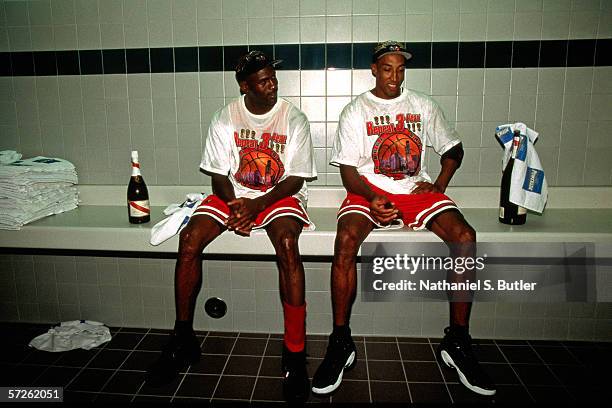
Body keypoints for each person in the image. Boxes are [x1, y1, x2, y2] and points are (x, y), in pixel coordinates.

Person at [311, 41, 496, 397]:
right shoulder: (356, 110)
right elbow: (348, 172)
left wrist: (437, 185)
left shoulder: (423, 105)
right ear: (374, 70)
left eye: (400, 69)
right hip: (367, 190)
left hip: (414, 191)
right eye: (387, 68)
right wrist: (371, 197)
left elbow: (453, 149)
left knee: (465, 237)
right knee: (345, 240)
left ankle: (457, 342)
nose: (394, 76)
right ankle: (340, 341)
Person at [146, 50, 317, 403]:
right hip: (235, 195)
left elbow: (296, 179)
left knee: (287, 243)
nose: (272, 86)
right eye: (263, 80)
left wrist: (257, 206)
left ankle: (295, 353)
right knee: (190, 238)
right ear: (244, 86)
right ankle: (182, 338)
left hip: (278, 194)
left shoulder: (293, 118)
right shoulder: (225, 118)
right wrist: (238, 206)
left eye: (273, 78)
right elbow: (218, 175)